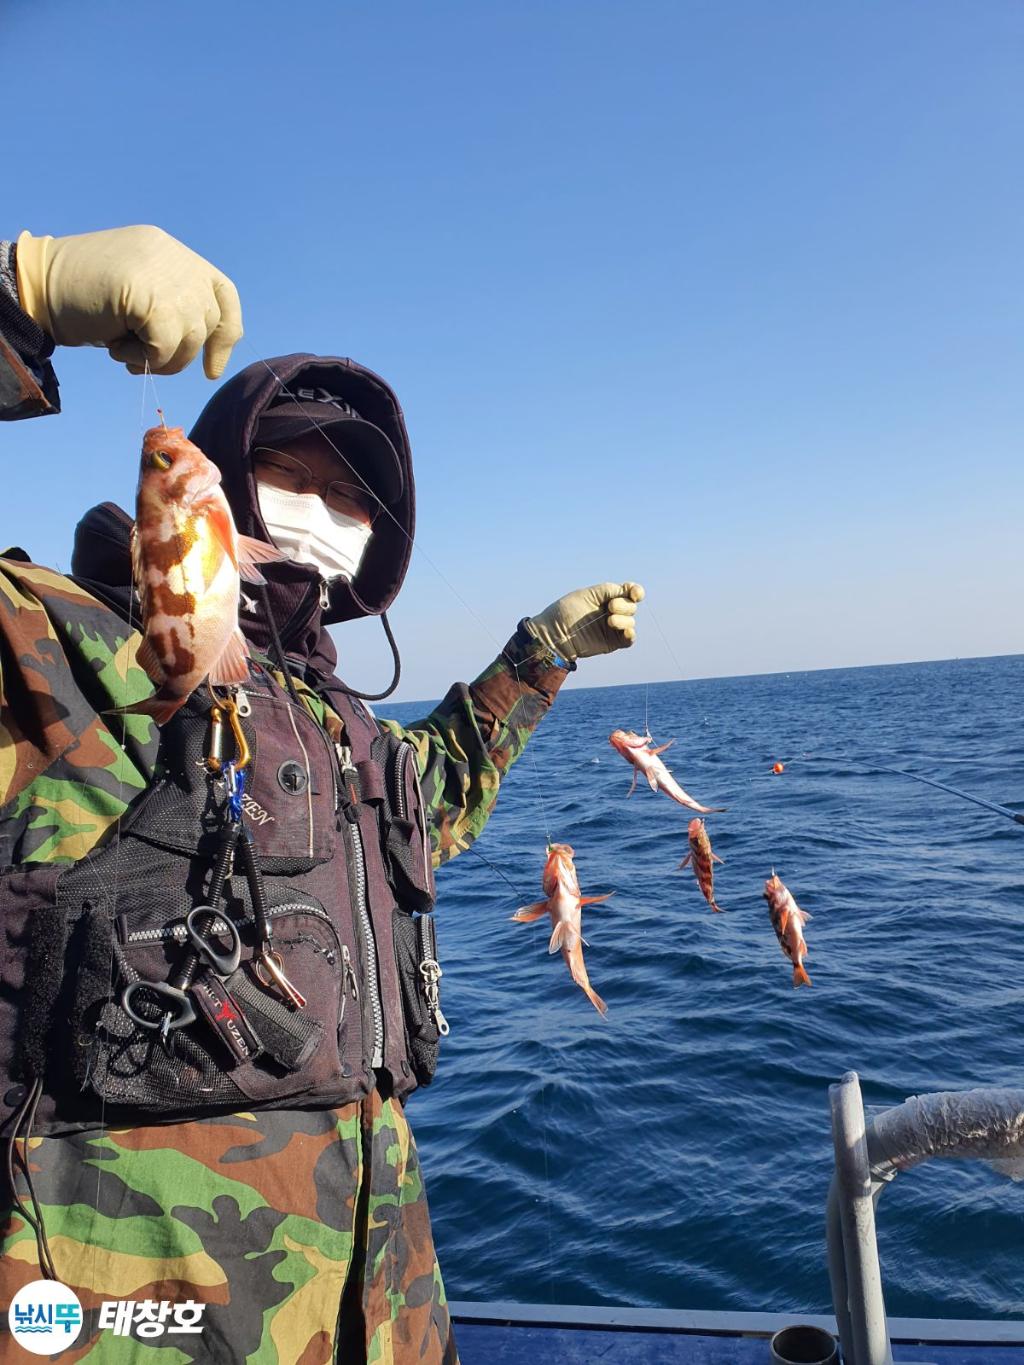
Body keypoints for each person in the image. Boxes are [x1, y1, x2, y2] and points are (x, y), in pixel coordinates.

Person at [0, 225, 644, 1363]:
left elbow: (433, 798)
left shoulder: (340, 722)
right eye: (290, 476)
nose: (320, 507)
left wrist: (542, 653)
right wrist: (18, 301)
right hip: (128, 1304)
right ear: (219, 479)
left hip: (378, 1290)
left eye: (347, 496)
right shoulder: (57, 648)